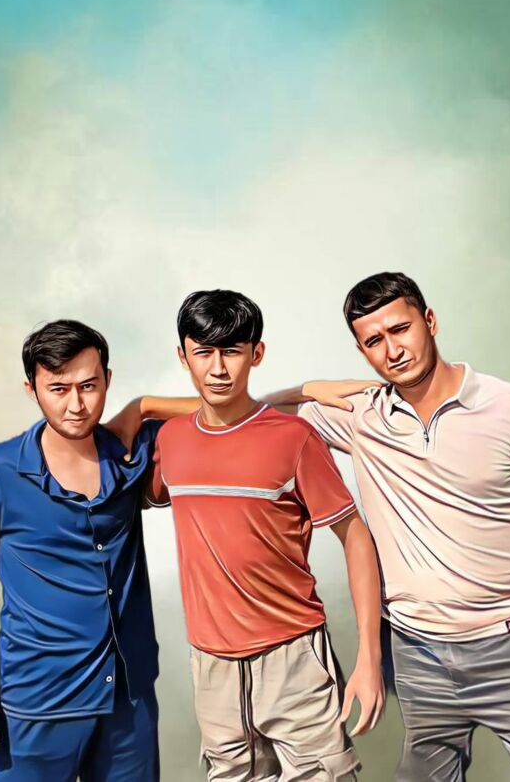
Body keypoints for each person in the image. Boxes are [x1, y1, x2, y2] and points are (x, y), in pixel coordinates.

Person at [266, 271, 510, 782]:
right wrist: (310, 389)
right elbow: (246, 415)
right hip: (417, 654)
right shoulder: (360, 415)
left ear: (429, 320)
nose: (392, 350)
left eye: (400, 329)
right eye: (373, 342)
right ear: (362, 352)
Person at [112, 289, 384, 782]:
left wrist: (370, 656)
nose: (218, 369)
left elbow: (356, 537)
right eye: (203, 353)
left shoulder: (294, 438)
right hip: (211, 667)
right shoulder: (170, 440)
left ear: (256, 353)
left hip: (293, 658)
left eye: (232, 352)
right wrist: (141, 405)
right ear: (183, 357)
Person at [0, 319, 194, 782]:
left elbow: (231, 411)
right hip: (38, 703)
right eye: (58, 388)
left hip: (129, 699)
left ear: (107, 381)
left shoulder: (129, 454)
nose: (76, 405)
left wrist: (143, 405)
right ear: (32, 389)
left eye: (89, 386)